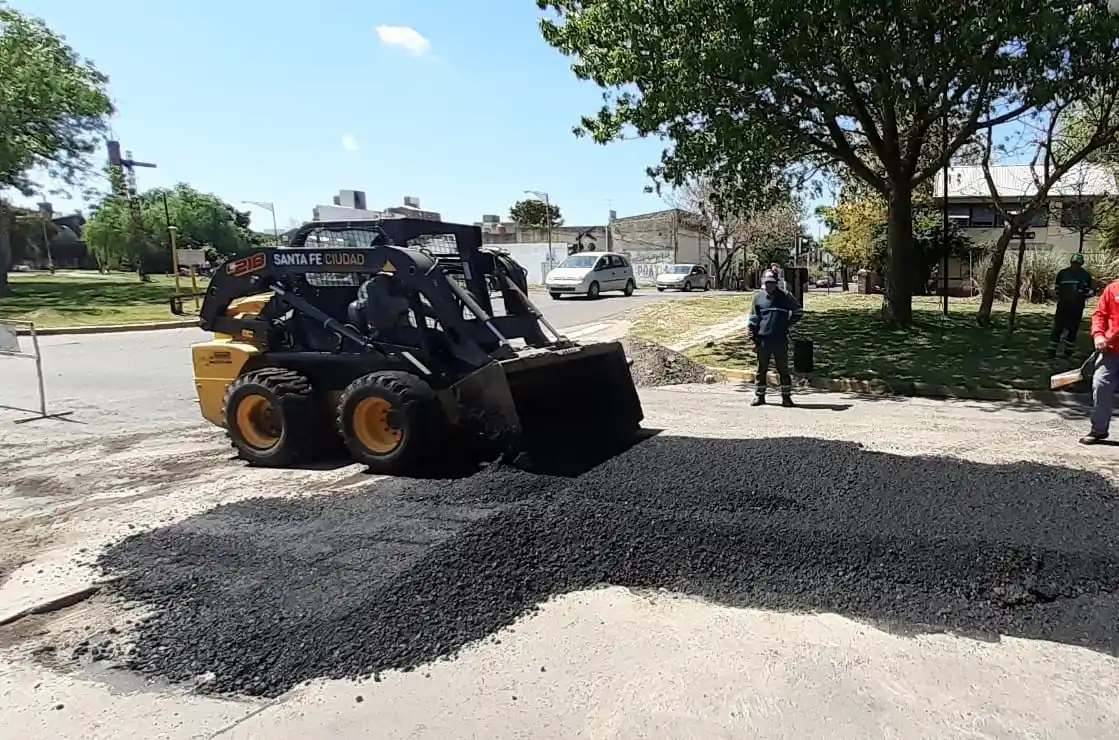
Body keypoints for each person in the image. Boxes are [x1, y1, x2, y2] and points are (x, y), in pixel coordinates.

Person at [748, 270, 803, 407]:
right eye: (767, 283)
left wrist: (787, 323)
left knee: (783, 369)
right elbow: (753, 320)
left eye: (772, 283)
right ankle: (759, 396)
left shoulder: (786, 297)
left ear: (776, 283)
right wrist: (753, 340)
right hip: (763, 340)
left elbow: (798, 312)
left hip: (780, 339)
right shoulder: (758, 298)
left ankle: (786, 397)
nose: (769, 286)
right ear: (763, 284)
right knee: (761, 369)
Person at [1083, 279, 1119, 444]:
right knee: (1101, 385)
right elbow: (1100, 314)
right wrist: (1098, 335)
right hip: (1111, 351)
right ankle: (1098, 430)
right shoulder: (1113, 288)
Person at [1048, 253, 1093, 360]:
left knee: (1073, 329)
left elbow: (1090, 290)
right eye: (1073, 263)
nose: (1075, 265)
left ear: (1081, 264)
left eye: (1077, 263)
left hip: (1077, 308)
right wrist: (1056, 294)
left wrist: (1085, 294)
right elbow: (1057, 288)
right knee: (1057, 328)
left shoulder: (1086, 275)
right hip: (1063, 306)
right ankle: (1051, 351)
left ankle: (1068, 352)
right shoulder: (1063, 273)